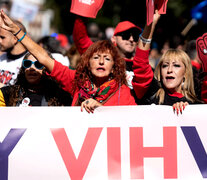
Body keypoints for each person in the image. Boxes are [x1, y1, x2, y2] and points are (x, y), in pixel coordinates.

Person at [0, 10, 137, 112]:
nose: (101, 62)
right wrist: (17, 31)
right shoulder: (76, 80)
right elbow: (44, 58)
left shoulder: (123, 92)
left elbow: (134, 123)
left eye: (107, 59)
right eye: (96, 57)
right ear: (88, 63)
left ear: (113, 67)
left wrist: (102, 110)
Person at [132, 10, 199, 114]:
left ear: (186, 73)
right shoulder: (152, 94)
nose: (169, 70)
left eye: (176, 66)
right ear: (160, 71)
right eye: (165, 66)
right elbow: (140, 63)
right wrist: (151, 24)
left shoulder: (198, 106)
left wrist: (187, 112)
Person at [72, 16, 142, 89]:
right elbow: (80, 38)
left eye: (135, 36)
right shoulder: (100, 56)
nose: (131, 39)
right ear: (113, 39)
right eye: (126, 35)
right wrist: (83, 10)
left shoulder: (142, 66)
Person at [0, 52, 72, 106]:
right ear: (23, 69)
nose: (32, 68)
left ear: (48, 69)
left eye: (38, 64)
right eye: (27, 63)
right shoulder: (6, 93)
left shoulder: (61, 96)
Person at [0, 19, 27, 88]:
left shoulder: (28, 62)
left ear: (15, 39)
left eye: (2, 37)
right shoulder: (1, 58)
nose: (0, 41)